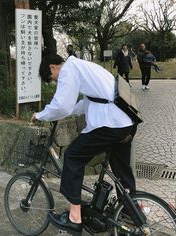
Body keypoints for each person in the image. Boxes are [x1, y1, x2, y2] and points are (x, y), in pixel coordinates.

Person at [31, 54, 137, 235]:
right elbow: (85, 103)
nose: (55, 82)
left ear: (52, 67)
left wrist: (41, 115)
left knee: (72, 156)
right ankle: (131, 213)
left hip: (110, 124)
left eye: (51, 78)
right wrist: (64, 113)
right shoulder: (83, 66)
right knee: (121, 169)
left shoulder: (69, 70)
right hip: (126, 122)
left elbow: (61, 106)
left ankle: (74, 217)